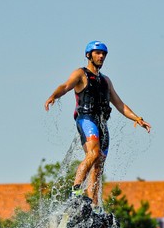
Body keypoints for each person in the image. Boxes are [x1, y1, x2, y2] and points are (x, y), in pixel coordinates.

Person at [44, 40, 151, 209]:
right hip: (86, 119)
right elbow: (65, 86)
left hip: (102, 123)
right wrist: (54, 96)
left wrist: (137, 118)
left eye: (104, 54)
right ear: (89, 55)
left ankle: (93, 205)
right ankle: (76, 193)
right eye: (97, 53)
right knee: (93, 154)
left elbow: (119, 104)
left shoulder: (105, 81)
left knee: (98, 165)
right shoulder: (81, 74)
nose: (101, 56)